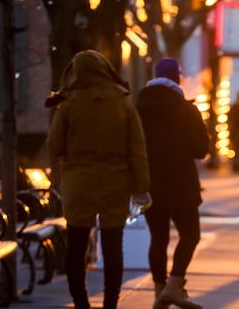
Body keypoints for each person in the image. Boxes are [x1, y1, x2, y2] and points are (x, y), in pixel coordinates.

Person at [45, 50, 151, 309]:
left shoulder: (69, 102)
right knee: (114, 246)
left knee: (77, 246)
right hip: (115, 181)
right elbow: (137, 149)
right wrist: (141, 187)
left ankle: (81, 303)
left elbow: (54, 146)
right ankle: (110, 304)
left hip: (78, 182)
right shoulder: (123, 101)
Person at [136, 58, 210, 309]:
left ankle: (160, 292)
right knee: (191, 235)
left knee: (158, 239)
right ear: (176, 78)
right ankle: (174, 286)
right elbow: (201, 150)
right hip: (182, 186)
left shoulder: (138, 107)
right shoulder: (187, 110)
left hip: (150, 184)